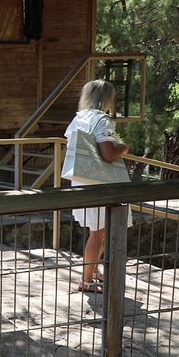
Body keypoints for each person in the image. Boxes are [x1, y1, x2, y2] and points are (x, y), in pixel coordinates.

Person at [65, 79, 132, 293]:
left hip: (82, 179)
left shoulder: (79, 118)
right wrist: (124, 148)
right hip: (99, 183)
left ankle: (92, 271)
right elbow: (108, 153)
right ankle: (86, 280)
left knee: (99, 231)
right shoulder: (102, 120)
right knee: (97, 233)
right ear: (107, 99)